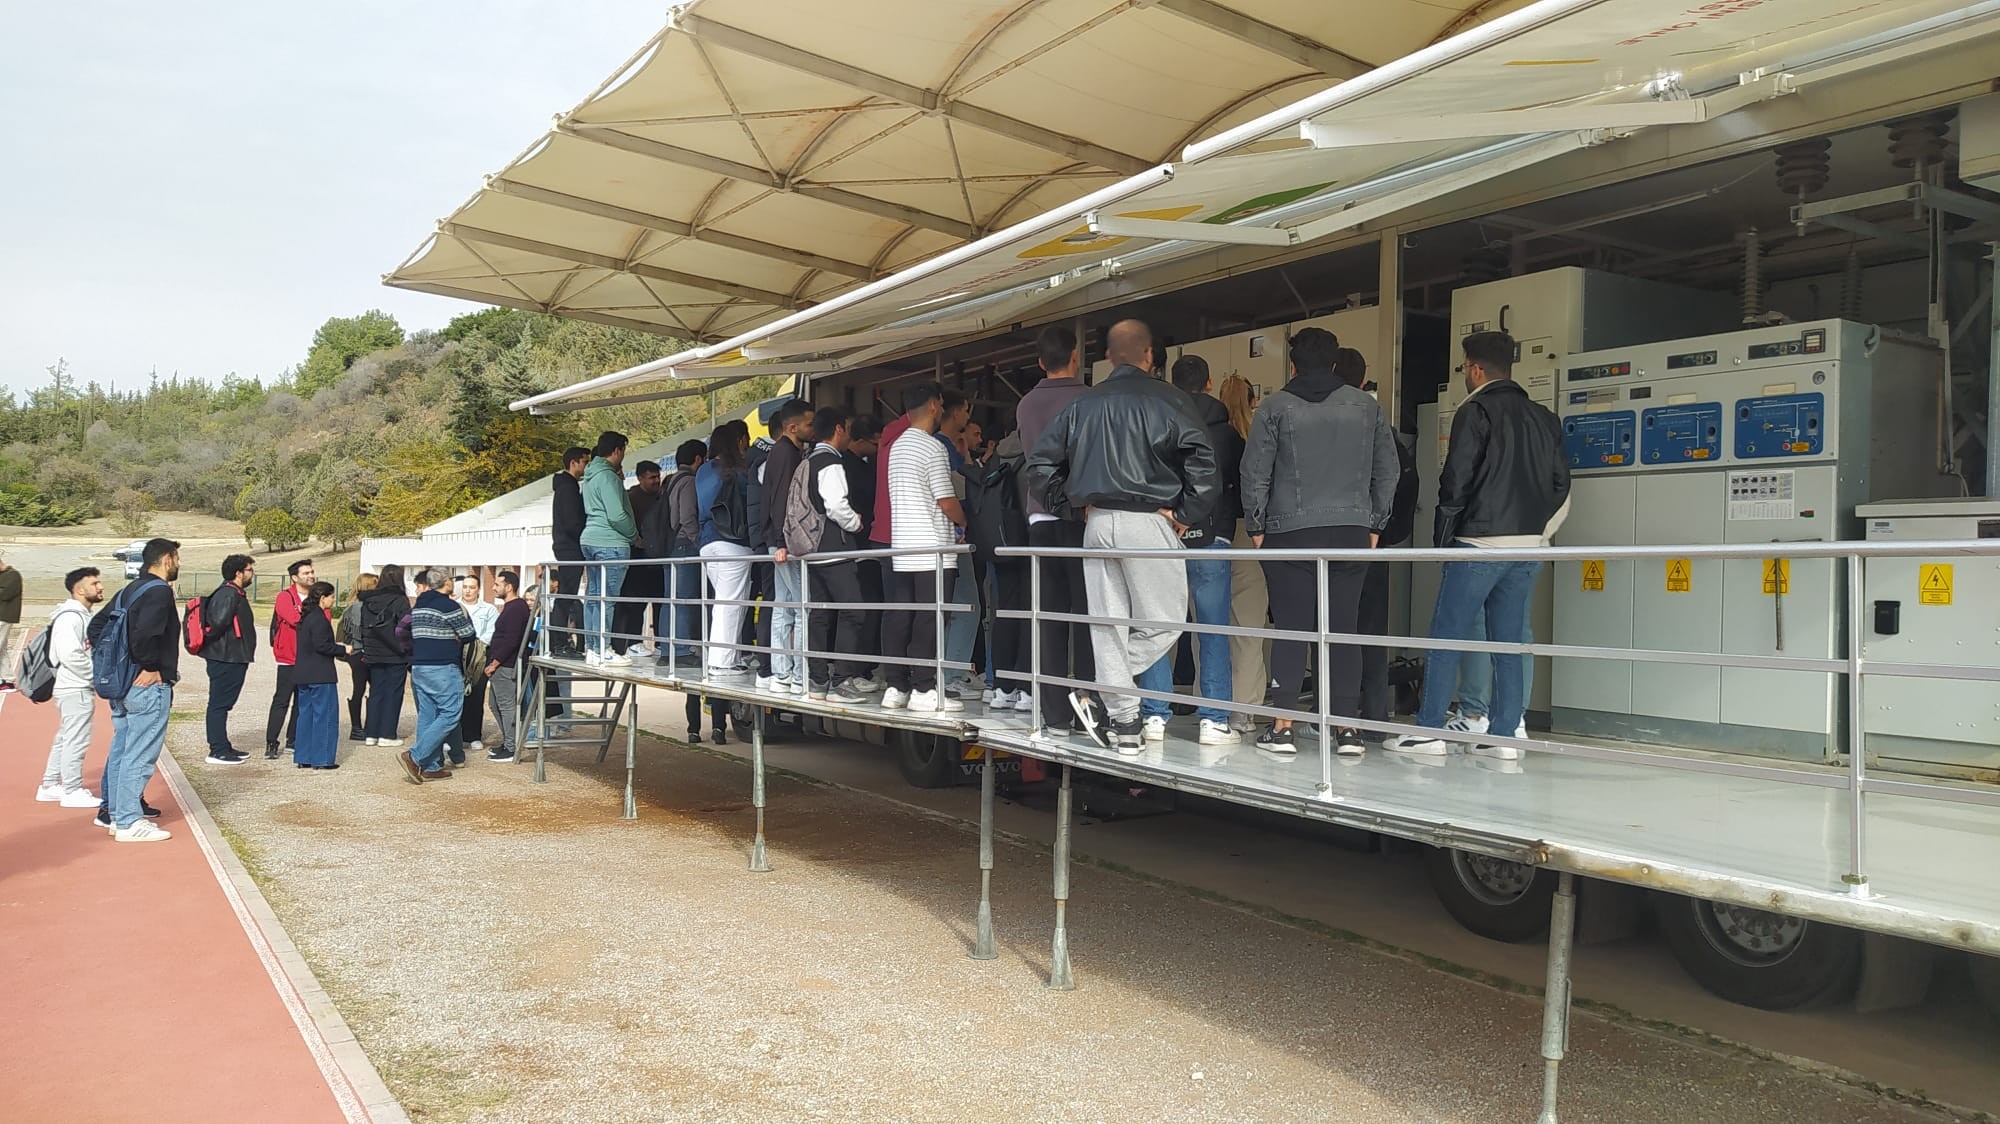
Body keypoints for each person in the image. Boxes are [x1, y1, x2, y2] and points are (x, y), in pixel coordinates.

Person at [1025, 319, 1217, 754]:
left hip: (1096, 521)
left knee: (1108, 622)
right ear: (1149, 355)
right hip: (1148, 519)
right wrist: (1186, 512)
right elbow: (1204, 462)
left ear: (1109, 357)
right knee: (1167, 620)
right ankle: (1099, 694)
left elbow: (1039, 465)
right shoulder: (1170, 400)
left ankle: (1125, 723)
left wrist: (1071, 506)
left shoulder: (1083, 403)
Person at [1386, 330, 1571, 760]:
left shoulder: (1475, 411)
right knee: (1509, 644)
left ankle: (1429, 730)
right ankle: (1504, 737)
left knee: (1447, 636)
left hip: (1478, 543)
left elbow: (1456, 481)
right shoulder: (1545, 417)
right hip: (1528, 548)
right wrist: (1539, 534)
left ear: (1475, 369)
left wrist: (1443, 542)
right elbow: (1561, 483)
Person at [1241, 327, 1401, 757]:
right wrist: (1374, 523)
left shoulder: (1273, 407)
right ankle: (1347, 730)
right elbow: (1388, 470)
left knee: (1292, 627)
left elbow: (1254, 471)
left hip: (1288, 533)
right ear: (1334, 364)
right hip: (1350, 532)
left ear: (1293, 366)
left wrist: (1257, 526)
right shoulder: (1366, 406)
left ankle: (1283, 728)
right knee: (1343, 629)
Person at [1134, 355, 1244, 746]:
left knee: (1157, 628)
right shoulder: (1227, 434)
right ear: (1210, 383)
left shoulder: (1155, 426)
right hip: (1213, 538)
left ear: (1171, 384)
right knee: (1212, 631)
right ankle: (1214, 720)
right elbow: (1239, 485)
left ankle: (1154, 716)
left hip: (1162, 538)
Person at [1014, 325, 1095, 735]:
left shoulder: (1025, 405)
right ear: (1075, 356)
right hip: (1082, 516)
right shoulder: (1090, 399)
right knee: (1087, 614)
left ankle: (1055, 715)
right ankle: (1089, 705)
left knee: (1048, 617)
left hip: (1040, 517)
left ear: (1040, 362)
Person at [1339, 348, 1420, 729]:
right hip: (1373, 543)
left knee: (1330, 630)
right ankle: (1373, 714)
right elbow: (1404, 478)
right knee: (1371, 632)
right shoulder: (1379, 423)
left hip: (1330, 540)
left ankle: (1331, 715)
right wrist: (1383, 531)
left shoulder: (1323, 421)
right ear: (1362, 379)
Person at [881, 382, 967, 713]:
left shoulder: (897, 447)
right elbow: (946, 500)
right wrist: (964, 522)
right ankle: (924, 687)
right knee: (930, 619)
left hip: (902, 547)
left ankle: (896, 686)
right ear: (933, 405)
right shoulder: (932, 448)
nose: (943, 410)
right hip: (933, 548)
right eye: (942, 404)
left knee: (901, 617)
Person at [95, 537, 181, 843]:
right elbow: (146, 635)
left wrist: (115, 666)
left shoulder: (129, 590)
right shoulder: (159, 591)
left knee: (122, 748)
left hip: (122, 686)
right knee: (140, 752)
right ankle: (129, 820)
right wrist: (150, 667)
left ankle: (117, 814)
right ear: (167, 559)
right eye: (177, 558)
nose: (179, 564)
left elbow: (96, 627)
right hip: (145, 685)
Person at [800, 405, 873, 704]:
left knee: (819, 613)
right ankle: (842, 681)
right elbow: (835, 505)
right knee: (853, 610)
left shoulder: (807, 460)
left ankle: (817, 681)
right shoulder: (831, 462)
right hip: (834, 549)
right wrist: (855, 522)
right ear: (839, 429)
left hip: (812, 548)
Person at [1218, 374, 1268, 735]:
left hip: (1210, 534)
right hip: (1248, 536)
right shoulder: (1256, 438)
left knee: (1208, 627)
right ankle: (1244, 712)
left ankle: (1212, 704)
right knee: (1248, 626)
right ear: (1253, 401)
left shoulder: (1212, 435)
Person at [35, 567, 103, 807]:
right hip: (74, 686)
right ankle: (72, 789)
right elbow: (70, 654)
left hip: (73, 685)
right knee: (77, 739)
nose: (100, 587)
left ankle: (50, 784)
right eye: (94, 583)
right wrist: (95, 676)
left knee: (66, 736)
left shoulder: (79, 615)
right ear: (79, 589)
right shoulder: (70, 617)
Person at [400, 569, 475, 783]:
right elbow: (469, 634)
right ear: (446, 583)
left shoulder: (419, 606)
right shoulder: (449, 606)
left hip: (420, 666)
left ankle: (430, 766)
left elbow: (403, 631)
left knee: (428, 715)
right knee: (451, 713)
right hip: (442, 666)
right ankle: (415, 756)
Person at [760, 398, 814, 695]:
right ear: (792, 427)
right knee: (802, 606)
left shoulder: (780, 452)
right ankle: (798, 674)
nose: (813, 429)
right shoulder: (786, 454)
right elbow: (783, 498)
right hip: (786, 542)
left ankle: (781, 673)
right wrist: (782, 542)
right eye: (809, 424)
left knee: (783, 606)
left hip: (776, 540)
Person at [697, 420, 757, 676]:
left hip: (707, 542)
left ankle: (724, 657)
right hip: (733, 542)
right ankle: (723, 661)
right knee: (731, 603)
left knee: (722, 600)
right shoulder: (736, 471)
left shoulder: (703, 471)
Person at [644, 440, 706, 667]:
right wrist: (698, 541)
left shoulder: (669, 480)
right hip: (683, 544)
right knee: (683, 599)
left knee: (670, 599)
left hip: (668, 546)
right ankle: (680, 651)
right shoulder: (688, 481)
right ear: (698, 459)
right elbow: (687, 516)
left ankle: (667, 648)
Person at [935, 390, 980, 699]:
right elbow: (955, 494)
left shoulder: (946, 446)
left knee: (949, 607)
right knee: (967, 606)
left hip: (941, 539)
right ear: (955, 412)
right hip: (953, 537)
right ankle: (951, 674)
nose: (967, 415)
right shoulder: (942, 449)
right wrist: (962, 522)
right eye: (965, 409)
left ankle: (946, 672)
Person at [581, 431, 638, 666]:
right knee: (607, 599)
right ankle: (604, 649)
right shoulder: (608, 478)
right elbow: (616, 515)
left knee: (594, 596)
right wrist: (634, 535)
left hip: (590, 539)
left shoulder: (590, 476)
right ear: (617, 451)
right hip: (611, 542)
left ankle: (592, 648)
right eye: (623, 451)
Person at [198, 554, 260, 765]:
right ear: (238, 573)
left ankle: (223, 745)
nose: (252, 574)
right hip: (226, 657)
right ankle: (217, 749)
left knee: (223, 704)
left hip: (232, 656)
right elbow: (216, 624)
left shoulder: (234, 593)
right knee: (219, 704)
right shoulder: (228, 594)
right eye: (249, 570)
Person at [843, 415, 884, 684]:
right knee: (867, 607)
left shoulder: (854, 464)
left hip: (860, 545)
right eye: (875, 443)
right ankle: (858, 668)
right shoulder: (853, 469)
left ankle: (861, 667)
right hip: (860, 546)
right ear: (860, 441)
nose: (878, 448)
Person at [292, 581, 349, 770]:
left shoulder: (306, 617)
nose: (333, 600)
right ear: (322, 598)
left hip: (303, 673)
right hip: (321, 674)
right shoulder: (319, 619)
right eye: (331, 596)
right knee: (325, 716)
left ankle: (304, 756)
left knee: (306, 716)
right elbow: (322, 646)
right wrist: (343, 649)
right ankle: (322, 758)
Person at [358, 563, 412, 747]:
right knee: (393, 693)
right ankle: (387, 734)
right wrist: (407, 649)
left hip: (374, 652)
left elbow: (364, 627)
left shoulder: (368, 600)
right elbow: (405, 627)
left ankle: (371, 733)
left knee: (376, 692)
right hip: (395, 653)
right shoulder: (400, 600)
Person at [265, 558, 314, 758]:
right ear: (294, 577)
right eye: (306, 573)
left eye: (311, 572)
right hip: (288, 657)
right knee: (282, 699)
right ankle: (271, 742)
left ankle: (293, 738)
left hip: (308, 657)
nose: (311, 576)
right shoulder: (284, 597)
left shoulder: (316, 596)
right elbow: (294, 619)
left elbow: (325, 619)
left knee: (302, 701)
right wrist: (311, 618)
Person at [620, 460, 666, 658]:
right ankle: (633, 643)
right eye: (651, 477)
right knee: (636, 604)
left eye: (658, 477)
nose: (656, 481)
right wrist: (637, 541)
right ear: (640, 478)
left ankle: (662, 643)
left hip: (658, 559)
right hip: (637, 559)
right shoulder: (631, 499)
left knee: (660, 604)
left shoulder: (662, 497)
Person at [484, 570, 530, 763]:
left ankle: (511, 748)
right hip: (501, 665)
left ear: (509, 587)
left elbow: (512, 640)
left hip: (506, 666)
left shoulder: (517, 608)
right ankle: (508, 742)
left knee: (506, 706)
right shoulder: (511, 607)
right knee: (495, 705)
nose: (493, 587)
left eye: (497, 584)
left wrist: (495, 663)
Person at [550, 445, 590, 657]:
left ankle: (560, 643)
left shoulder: (567, 486)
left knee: (566, 596)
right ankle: (559, 644)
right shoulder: (567, 488)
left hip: (566, 546)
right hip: (569, 547)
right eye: (585, 462)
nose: (587, 466)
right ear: (574, 462)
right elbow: (571, 522)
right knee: (566, 596)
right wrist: (583, 535)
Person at [457, 574, 499, 753]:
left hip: (480, 657)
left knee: (476, 696)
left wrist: (476, 646)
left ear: (478, 589)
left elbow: (492, 632)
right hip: (457, 655)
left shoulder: (489, 610)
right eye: (465, 587)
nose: (468, 591)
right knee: (456, 697)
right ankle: (455, 736)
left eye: (472, 587)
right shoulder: (454, 607)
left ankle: (474, 735)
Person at [340, 573, 377, 741]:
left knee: (358, 689)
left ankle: (356, 727)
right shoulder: (368, 608)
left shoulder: (350, 608)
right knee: (374, 689)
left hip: (355, 652)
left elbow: (343, 632)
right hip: (367, 651)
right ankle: (369, 726)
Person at [0, 552, 20, 691]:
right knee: (2, 649)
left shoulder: (13, 575)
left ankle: (8, 680)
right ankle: (8, 680)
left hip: (4, 616)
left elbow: (5, 594)